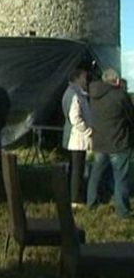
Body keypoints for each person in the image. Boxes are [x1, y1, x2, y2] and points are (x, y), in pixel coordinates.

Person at [87, 68, 134, 218]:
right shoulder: (120, 95)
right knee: (120, 177)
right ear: (117, 80)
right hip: (118, 142)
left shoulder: (94, 95)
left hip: (99, 142)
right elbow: (130, 117)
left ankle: (91, 202)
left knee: (96, 174)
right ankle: (122, 210)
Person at [62, 68, 92, 207]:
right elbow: (75, 118)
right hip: (78, 138)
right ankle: (75, 199)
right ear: (77, 78)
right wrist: (87, 131)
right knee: (77, 170)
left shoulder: (74, 93)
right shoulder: (74, 95)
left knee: (75, 168)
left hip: (75, 137)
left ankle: (71, 195)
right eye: (84, 77)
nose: (86, 80)